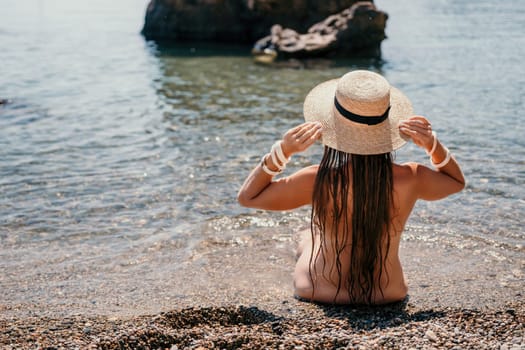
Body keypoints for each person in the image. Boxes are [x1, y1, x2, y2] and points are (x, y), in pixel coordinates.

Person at [237, 70, 465, 305]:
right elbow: (456, 182)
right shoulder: (412, 177)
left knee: (306, 236)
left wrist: (282, 151)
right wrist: (432, 144)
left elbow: (249, 197)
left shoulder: (318, 179)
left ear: (333, 128)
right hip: (387, 294)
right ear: (387, 124)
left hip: (318, 290)